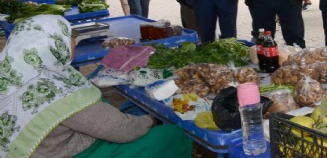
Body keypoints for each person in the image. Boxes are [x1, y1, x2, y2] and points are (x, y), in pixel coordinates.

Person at [0, 14, 192, 158]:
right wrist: (152, 120)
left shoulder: (10, 73)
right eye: (69, 37)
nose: (74, 42)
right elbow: (121, 130)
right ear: (55, 44)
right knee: (169, 135)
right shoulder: (55, 90)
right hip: (63, 154)